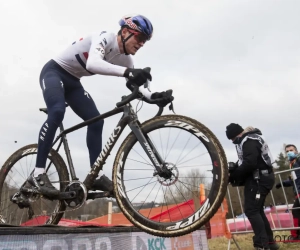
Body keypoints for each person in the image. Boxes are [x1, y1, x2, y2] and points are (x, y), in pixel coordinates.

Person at [27, 14, 174, 198]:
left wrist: (153, 96)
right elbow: (93, 63)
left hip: (74, 82)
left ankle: (95, 176)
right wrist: (128, 72)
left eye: (145, 40)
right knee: (57, 111)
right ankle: (38, 173)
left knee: (96, 122)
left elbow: (133, 84)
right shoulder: (105, 37)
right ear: (126, 32)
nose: (142, 43)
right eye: (140, 37)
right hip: (54, 72)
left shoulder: (125, 59)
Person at [226, 123, 279, 250]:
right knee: (257, 210)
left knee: (252, 210)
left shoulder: (249, 140)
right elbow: (244, 161)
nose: (233, 142)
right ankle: (270, 243)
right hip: (260, 177)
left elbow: (250, 162)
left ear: (238, 134)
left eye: (233, 139)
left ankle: (262, 244)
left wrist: (234, 176)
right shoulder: (250, 139)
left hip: (259, 178)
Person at [275, 144, 300, 241]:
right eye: (287, 151)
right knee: (297, 211)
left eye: (291, 150)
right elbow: (293, 180)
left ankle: (295, 235)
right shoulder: (292, 165)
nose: (289, 152)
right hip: (297, 190)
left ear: (296, 151)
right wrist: (282, 183)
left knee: (296, 210)